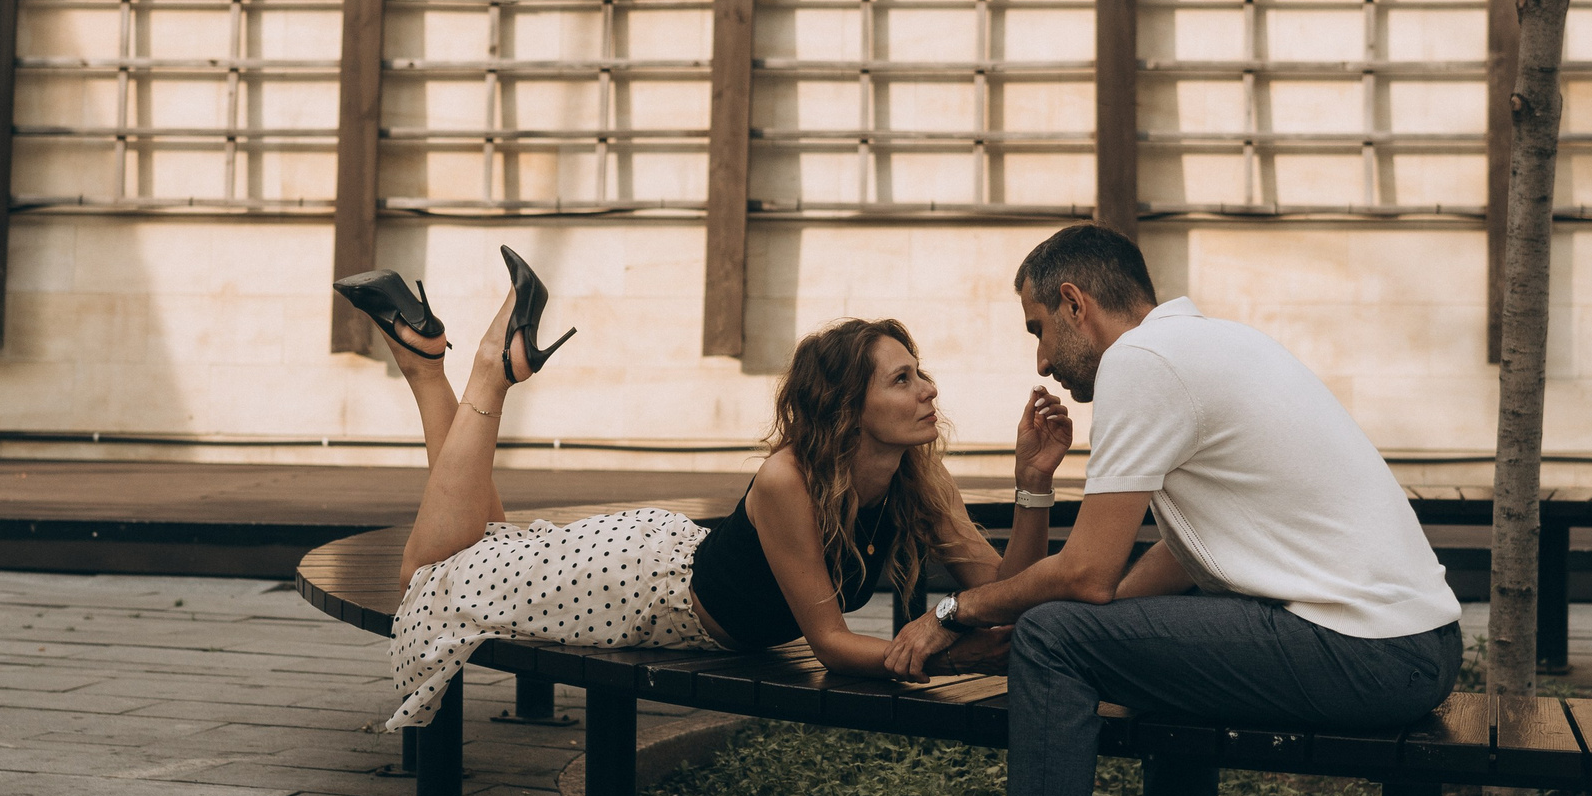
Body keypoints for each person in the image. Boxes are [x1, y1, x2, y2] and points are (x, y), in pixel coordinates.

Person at [883, 224, 1463, 796]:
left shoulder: (1140, 363)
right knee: (1117, 629)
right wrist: (1083, 608)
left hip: (1370, 652)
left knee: (1054, 636)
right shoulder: (1209, 343)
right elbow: (1168, 566)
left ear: (1074, 303)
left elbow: (1084, 574)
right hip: (1408, 646)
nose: (1041, 361)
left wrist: (956, 611)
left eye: (1037, 329)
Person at [333, 248, 1075, 731]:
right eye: (903, 377)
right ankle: (492, 367)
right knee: (427, 575)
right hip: (633, 589)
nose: (928, 388)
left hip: (662, 567)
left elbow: (1006, 591)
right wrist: (938, 649)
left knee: (474, 542)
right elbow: (831, 643)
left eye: (920, 372)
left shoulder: (917, 473)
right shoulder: (790, 480)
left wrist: (1032, 487)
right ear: (848, 407)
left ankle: (423, 360)